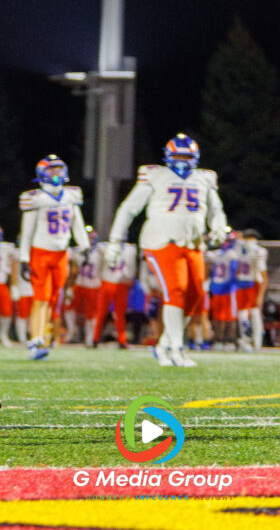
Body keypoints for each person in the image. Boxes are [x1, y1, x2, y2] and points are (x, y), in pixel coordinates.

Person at [106, 133, 227, 367]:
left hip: (193, 244)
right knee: (176, 290)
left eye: (187, 155)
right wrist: (115, 240)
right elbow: (129, 208)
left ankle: (164, 344)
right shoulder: (156, 175)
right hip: (161, 240)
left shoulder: (204, 178)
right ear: (169, 157)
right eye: (178, 155)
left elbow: (216, 210)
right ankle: (176, 347)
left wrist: (219, 228)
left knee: (195, 296)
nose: (182, 160)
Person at [18, 155, 90, 360]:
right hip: (40, 253)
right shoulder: (35, 197)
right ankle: (36, 339)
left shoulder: (71, 195)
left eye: (59, 169)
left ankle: (44, 336)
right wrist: (24, 258)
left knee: (53, 298)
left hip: (62, 254)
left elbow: (77, 223)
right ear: (42, 173)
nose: (56, 174)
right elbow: (27, 230)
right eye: (51, 170)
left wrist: (84, 246)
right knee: (40, 298)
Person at [93, 239, 137, 348]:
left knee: (120, 315)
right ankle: (95, 338)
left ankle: (122, 340)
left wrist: (129, 278)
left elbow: (131, 268)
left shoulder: (129, 249)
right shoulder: (104, 247)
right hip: (107, 282)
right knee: (101, 313)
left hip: (121, 283)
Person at [235, 228, 268, 351]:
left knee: (254, 313)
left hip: (253, 283)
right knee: (242, 314)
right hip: (242, 283)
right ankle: (245, 341)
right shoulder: (240, 250)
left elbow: (263, 275)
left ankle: (257, 342)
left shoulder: (258, 251)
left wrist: (261, 295)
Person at [205, 230, 239, 350]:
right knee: (217, 317)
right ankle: (218, 340)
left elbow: (235, 272)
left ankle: (230, 341)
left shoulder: (232, 254)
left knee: (230, 318)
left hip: (229, 290)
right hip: (217, 289)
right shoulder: (217, 253)